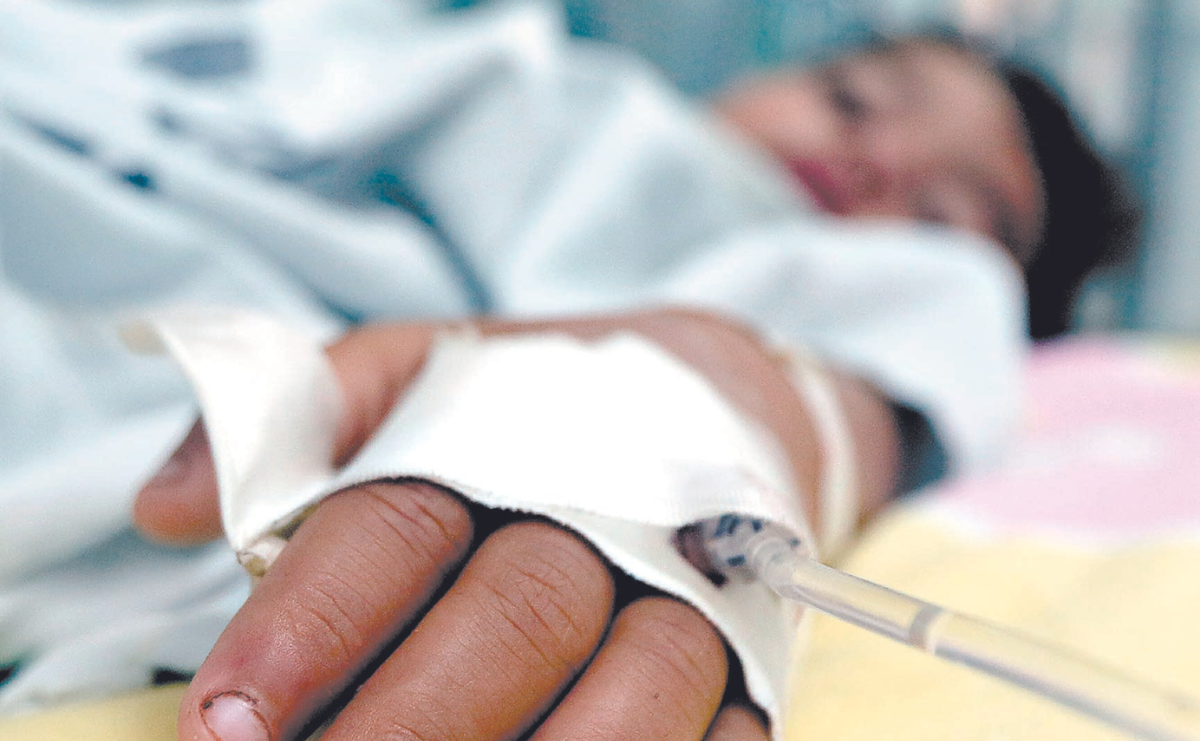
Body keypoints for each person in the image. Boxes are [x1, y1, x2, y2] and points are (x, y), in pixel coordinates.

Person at [0, 2, 1131, 740]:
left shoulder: (847, 278)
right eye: (853, 100)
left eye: (940, 212)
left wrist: (711, 408)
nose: (872, 158)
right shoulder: (531, 76)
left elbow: (877, 377)